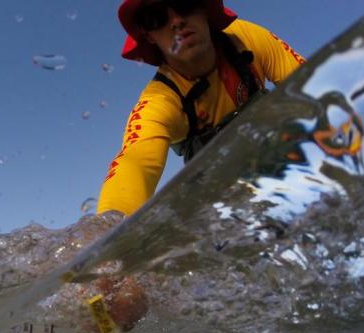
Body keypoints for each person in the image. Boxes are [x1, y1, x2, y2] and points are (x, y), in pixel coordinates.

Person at [97, 0, 305, 217]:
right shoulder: (158, 102)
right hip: (225, 208)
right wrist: (107, 227)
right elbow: (134, 163)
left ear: (205, 7)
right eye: (155, 17)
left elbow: (314, 92)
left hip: (286, 164)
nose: (177, 22)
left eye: (185, 4)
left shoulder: (246, 38)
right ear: (149, 35)